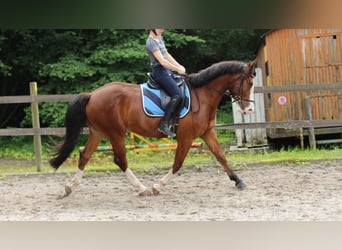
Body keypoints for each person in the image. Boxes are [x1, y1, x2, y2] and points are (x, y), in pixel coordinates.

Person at [146, 29, 186, 138]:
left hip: (167, 71)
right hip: (159, 72)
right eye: (160, 27)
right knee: (177, 96)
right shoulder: (150, 42)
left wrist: (179, 65)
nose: (162, 29)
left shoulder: (159, 38)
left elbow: (166, 54)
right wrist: (177, 68)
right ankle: (163, 124)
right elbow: (162, 61)